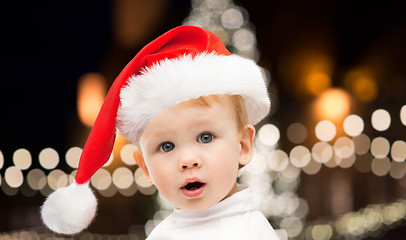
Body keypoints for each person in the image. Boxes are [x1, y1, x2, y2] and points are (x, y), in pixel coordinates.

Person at [41, 25, 280, 239]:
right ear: (145, 167)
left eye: (205, 137)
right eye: (166, 146)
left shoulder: (252, 232)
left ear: (243, 146)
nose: (187, 161)